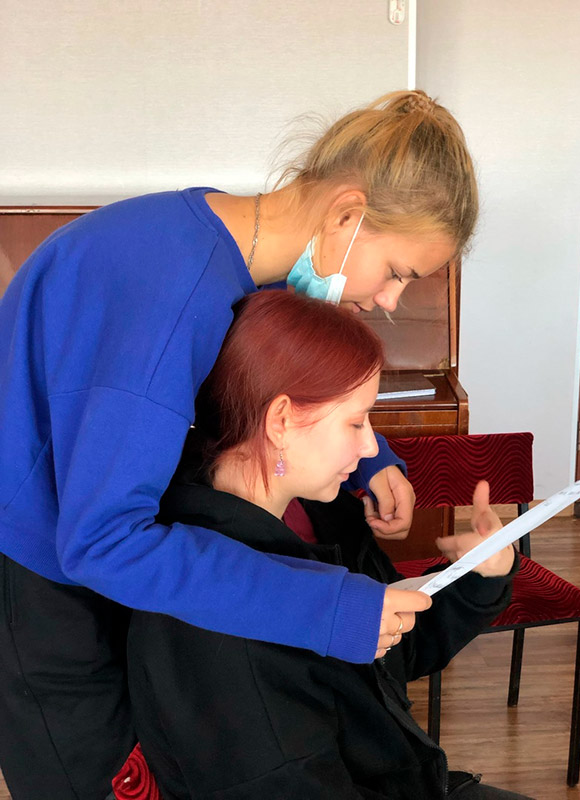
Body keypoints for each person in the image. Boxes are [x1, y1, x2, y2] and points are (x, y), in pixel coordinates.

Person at [0, 90, 477, 799]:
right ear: (347, 215)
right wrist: (326, 607)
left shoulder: (236, 250)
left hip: (104, 549)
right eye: (398, 273)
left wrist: (371, 460)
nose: (390, 302)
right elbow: (101, 543)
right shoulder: (165, 297)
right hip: (44, 578)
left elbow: (278, 384)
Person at [126, 290, 529, 800]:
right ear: (281, 421)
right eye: (356, 422)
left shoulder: (322, 515)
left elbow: (391, 656)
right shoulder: (208, 614)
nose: (371, 448)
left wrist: (478, 578)